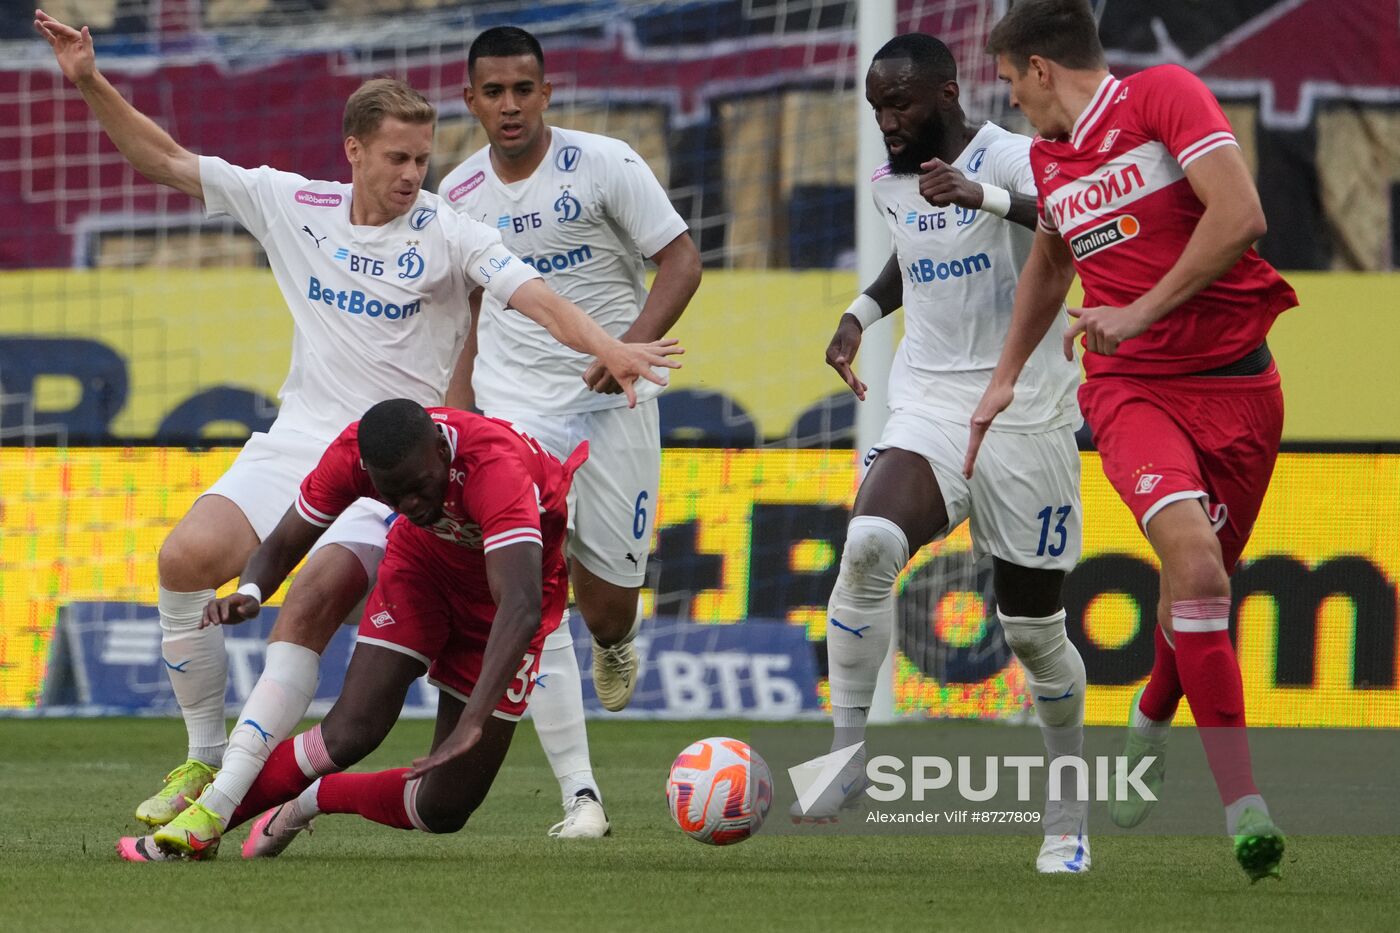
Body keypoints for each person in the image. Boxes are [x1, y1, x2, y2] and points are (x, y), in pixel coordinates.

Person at [34, 9, 680, 834]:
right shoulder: (292, 203)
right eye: (397, 158)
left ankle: (234, 793)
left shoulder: (450, 230)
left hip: (400, 463)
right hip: (304, 440)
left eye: (422, 158)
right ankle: (203, 751)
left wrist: (612, 347)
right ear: (354, 151)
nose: (414, 174)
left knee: (313, 597)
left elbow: (538, 298)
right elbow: (162, 158)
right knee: (183, 558)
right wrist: (89, 79)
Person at [968, 0, 1294, 882]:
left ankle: (1151, 713)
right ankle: (1245, 810)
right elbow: (1050, 260)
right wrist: (1003, 377)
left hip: (1240, 388)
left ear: (1041, 69)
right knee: (1197, 571)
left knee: (1195, 605)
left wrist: (1140, 311)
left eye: (1009, 83)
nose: (1012, 104)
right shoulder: (1046, 157)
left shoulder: (1163, 97)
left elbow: (1242, 215)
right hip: (1130, 388)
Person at [800, 34, 1088, 874]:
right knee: (868, 545)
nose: (887, 123)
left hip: (1024, 412)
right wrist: (860, 310)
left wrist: (984, 197)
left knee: (1032, 633)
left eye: (902, 104)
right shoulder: (894, 180)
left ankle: (1066, 815)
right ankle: (847, 754)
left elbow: (1075, 228)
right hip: (928, 402)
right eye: (876, 106)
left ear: (950, 92)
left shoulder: (1014, 155)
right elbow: (915, 254)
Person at [437, 27, 701, 837]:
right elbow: (473, 314)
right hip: (513, 411)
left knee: (606, 604)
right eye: (494, 92)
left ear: (547, 93)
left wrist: (623, 354)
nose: (510, 105)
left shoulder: (607, 164)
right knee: (532, 588)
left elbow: (682, 260)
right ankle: (581, 795)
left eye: (524, 89)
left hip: (611, 406)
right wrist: (455, 418)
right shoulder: (457, 193)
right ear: (471, 99)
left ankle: (616, 638)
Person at [117, 400, 580, 861]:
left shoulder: (495, 466)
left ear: (441, 450)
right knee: (353, 729)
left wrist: (473, 721)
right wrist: (253, 592)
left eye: (419, 488)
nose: (411, 505)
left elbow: (519, 605)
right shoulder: (351, 458)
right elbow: (283, 542)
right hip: (423, 571)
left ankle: (313, 800)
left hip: (506, 599)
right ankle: (198, 827)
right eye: (393, 497)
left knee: (444, 807)